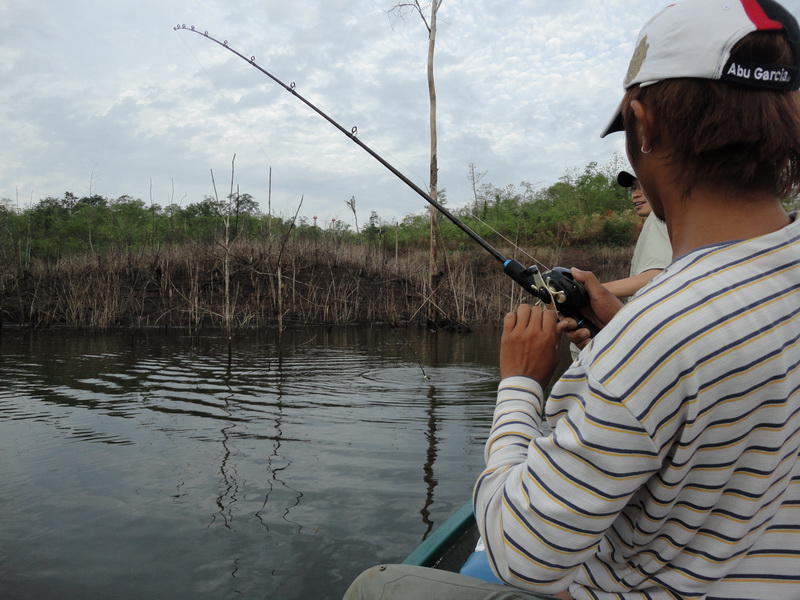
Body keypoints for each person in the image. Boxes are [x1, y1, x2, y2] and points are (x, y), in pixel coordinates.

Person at [343, 0, 800, 598]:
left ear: (646, 123)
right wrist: (618, 334)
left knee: (375, 586)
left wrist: (520, 384)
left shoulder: (658, 336)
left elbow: (519, 553)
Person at [602, 170, 671, 299]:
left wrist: (591, 291)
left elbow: (658, 277)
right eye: (633, 188)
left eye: (643, 186)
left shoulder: (657, 217)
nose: (635, 195)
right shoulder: (678, 221)